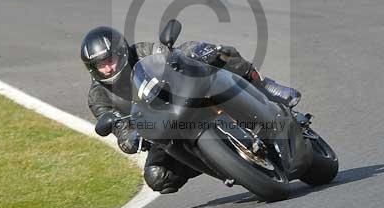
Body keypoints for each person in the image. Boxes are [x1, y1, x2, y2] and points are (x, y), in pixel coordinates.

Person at [81, 26, 300, 194]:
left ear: (121, 52)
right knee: (158, 177)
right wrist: (130, 137)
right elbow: (117, 126)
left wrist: (194, 53)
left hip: (186, 96)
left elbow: (171, 55)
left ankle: (263, 86)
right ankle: (225, 165)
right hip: (161, 128)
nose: (107, 68)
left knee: (217, 53)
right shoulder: (98, 96)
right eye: (101, 65)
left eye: (109, 60)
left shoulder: (141, 51)